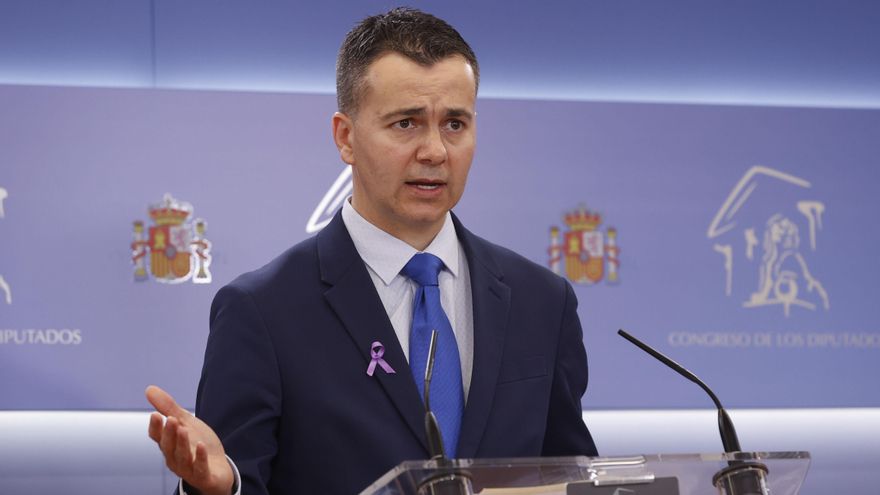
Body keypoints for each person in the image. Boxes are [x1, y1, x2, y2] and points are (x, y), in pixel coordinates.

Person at [146, 7, 597, 494]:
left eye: (455, 124)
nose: (435, 151)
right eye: (406, 123)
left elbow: (572, 475)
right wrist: (220, 489)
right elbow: (237, 477)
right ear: (346, 137)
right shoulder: (262, 312)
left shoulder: (542, 301)